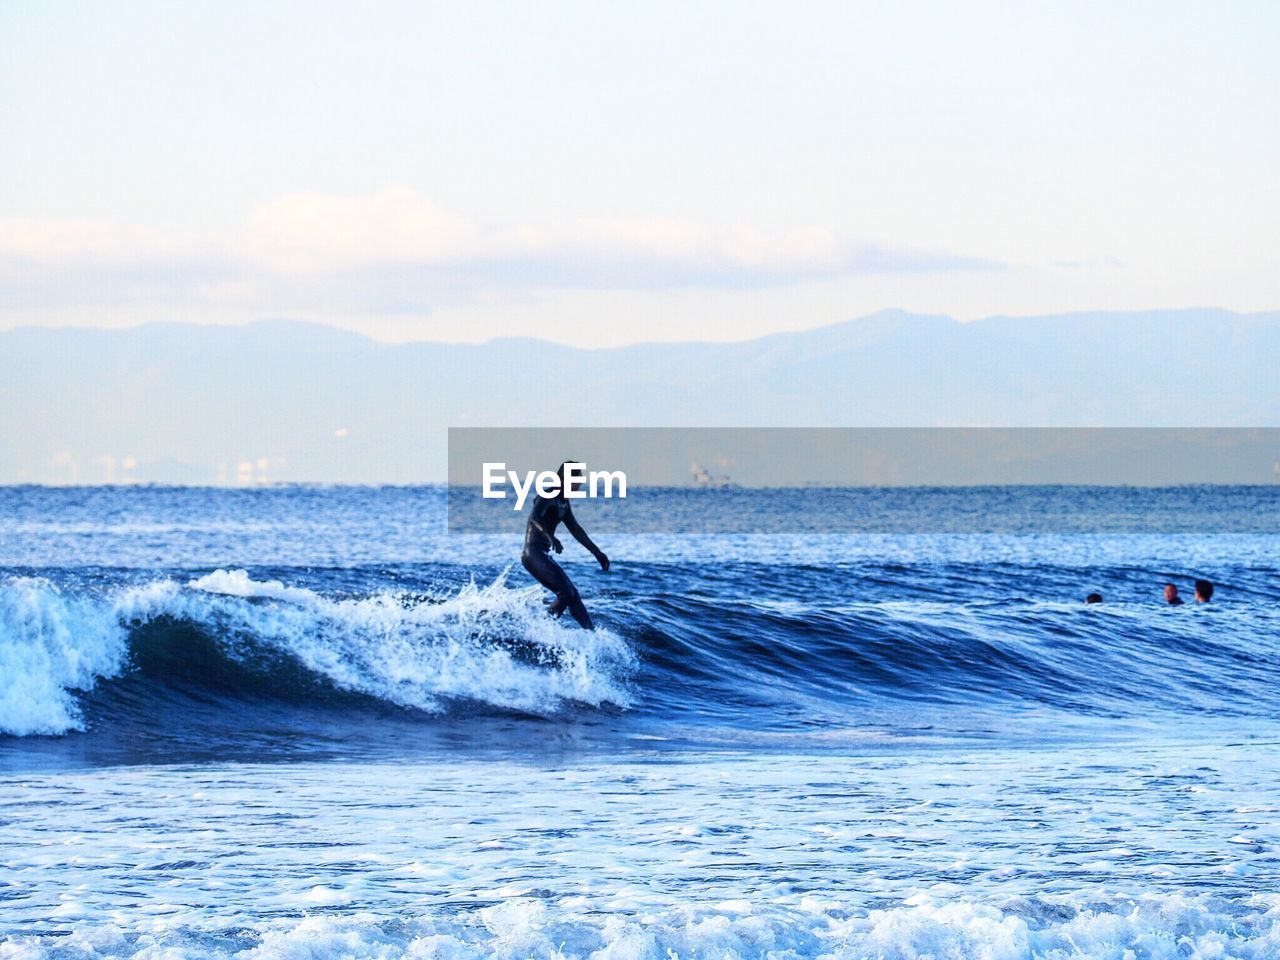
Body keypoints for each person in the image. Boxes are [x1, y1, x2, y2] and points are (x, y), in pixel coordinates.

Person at [521, 462, 610, 629]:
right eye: (577, 480)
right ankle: (541, 629)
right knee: (565, 593)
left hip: (542, 554)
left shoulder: (563, 502)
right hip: (532, 554)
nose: (579, 483)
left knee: (573, 594)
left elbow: (576, 530)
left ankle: (591, 633)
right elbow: (535, 517)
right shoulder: (548, 495)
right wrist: (549, 536)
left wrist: (597, 553)